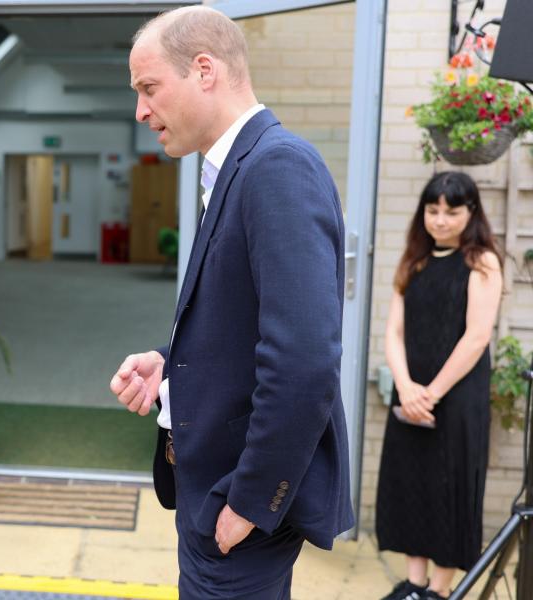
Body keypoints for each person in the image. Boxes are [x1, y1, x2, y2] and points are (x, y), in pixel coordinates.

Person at [110, 6, 354, 598]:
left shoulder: (277, 167)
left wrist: (250, 501)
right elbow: (246, 319)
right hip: (210, 489)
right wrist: (171, 362)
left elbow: (303, 361)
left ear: (204, 70)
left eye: (149, 88)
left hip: (237, 504)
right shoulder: (236, 167)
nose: (141, 111)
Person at [376, 172, 503, 600]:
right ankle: (413, 583)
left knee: (449, 485)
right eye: (433, 211)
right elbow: (393, 331)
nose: (441, 221)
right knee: (412, 480)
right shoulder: (414, 260)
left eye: (452, 211)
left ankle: (439, 589)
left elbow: (477, 337)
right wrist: (406, 386)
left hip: (456, 397)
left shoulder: (482, 262)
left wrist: (430, 393)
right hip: (410, 391)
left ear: (471, 213)